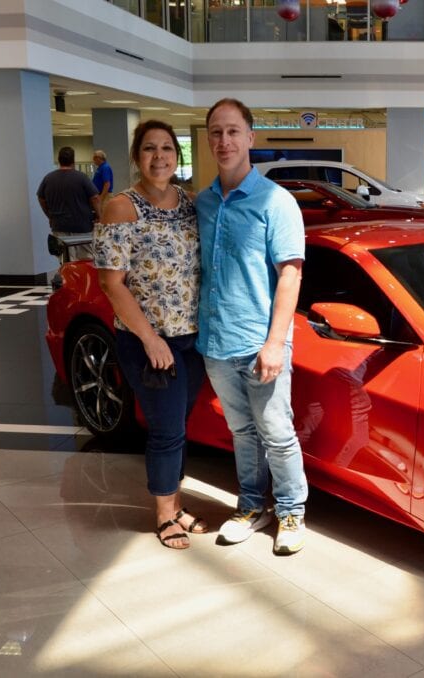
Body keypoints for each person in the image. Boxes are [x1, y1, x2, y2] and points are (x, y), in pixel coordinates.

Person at [196, 98, 308, 555]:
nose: (225, 141)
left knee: (277, 432)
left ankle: (291, 510)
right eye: (217, 133)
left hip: (260, 342)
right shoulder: (201, 202)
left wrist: (276, 343)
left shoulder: (275, 202)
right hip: (216, 342)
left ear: (251, 138)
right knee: (242, 433)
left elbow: (291, 273)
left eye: (233, 132)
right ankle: (249, 506)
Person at [94, 120, 207, 550]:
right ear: (136, 156)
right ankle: (164, 515)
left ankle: (176, 504)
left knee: (178, 425)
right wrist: (151, 339)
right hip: (148, 341)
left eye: (166, 148)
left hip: (192, 339)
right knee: (165, 430)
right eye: (149, 149)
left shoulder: (189, 202)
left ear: (176, 156)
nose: (159, 157)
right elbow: (112, 283)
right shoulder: (121, 207)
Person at [37, 146, 100, 261]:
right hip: (82, 227)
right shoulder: (82, 177)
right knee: (86, 260)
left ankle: (67, 279)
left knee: (65, 261)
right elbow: (95, 197)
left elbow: (41, 198)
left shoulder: (48, 178)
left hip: (59, 226)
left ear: (59, 159)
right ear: (73, 161)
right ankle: (82, 279)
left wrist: (50, 215)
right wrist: (100, 216)